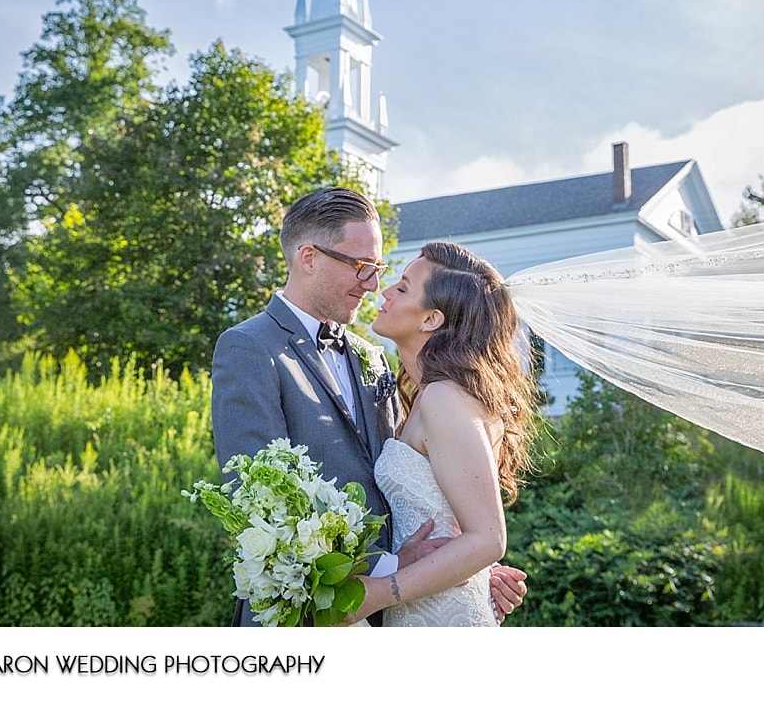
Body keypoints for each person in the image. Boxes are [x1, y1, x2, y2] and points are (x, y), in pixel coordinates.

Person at [211, 187, 527, 626]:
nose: (374, 284)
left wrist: (472, 571)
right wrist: (389, 570)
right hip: (305, 616)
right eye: (361, 267)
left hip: (388, 615)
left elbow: (420, 483)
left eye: (378, 269)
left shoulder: (374, 356)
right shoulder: (248, 347)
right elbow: (258, 502)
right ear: (308, 257)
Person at [345, 240, 540, 627]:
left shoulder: (444, 398)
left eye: (402, 288)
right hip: (424, 608)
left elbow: (487, 538)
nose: (384, 291)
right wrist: (487, 572)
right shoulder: (427, 396)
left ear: (431, 319)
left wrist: (376, 594)